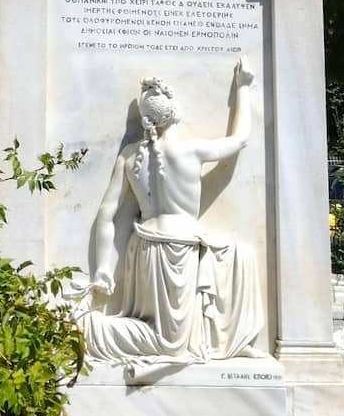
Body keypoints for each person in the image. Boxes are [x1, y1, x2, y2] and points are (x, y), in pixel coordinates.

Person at [79, 58, 263, 364]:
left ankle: (223, 338)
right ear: (175, 112)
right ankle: (89, 328)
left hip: (145, 247)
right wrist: (242, 88)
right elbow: (240, 139)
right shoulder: (192, 150)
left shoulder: (130, 154)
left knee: (241, 256)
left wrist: (102, 267)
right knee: (169, 344)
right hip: (178, 249)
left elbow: (106, 216)